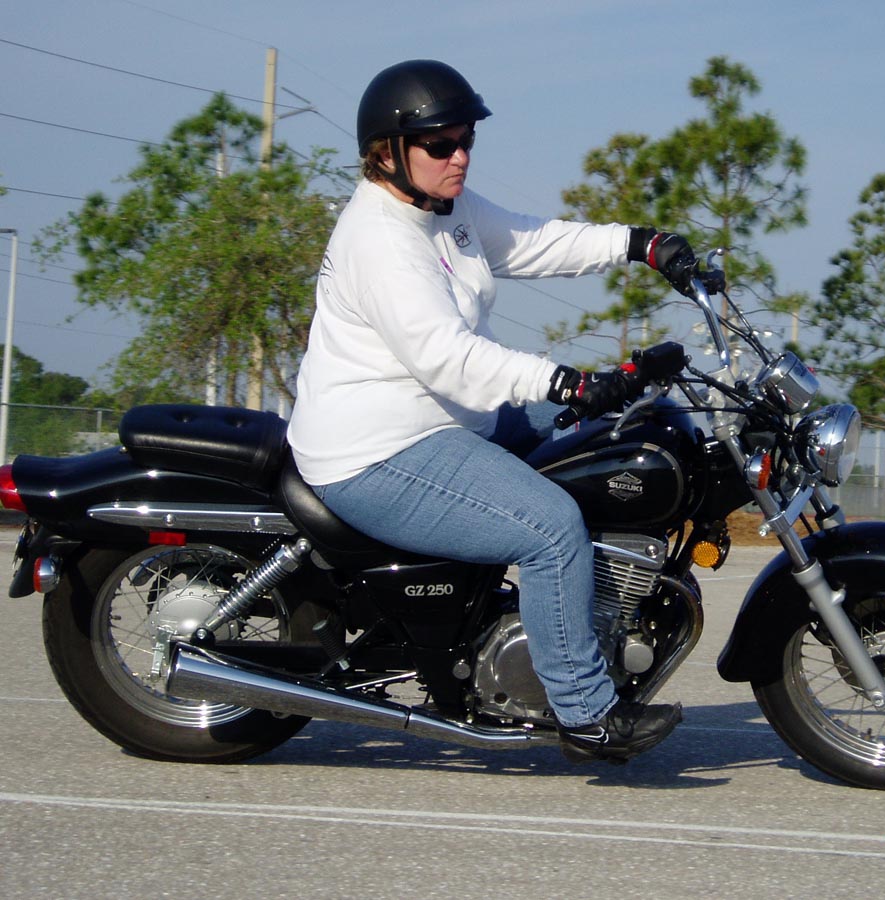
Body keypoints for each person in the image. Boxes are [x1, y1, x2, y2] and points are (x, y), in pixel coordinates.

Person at [287, 59, 698, 763]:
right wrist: (566, 382)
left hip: (445, 420)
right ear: (386, 153)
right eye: (440, 144)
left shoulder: (444, 211)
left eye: (466, 139)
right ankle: (585, 713)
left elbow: (533, 241)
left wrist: (640, 244)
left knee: (598, 433)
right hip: (379, 449)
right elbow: (448, 358)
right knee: (550, 528)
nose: (460, 156)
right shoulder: (379, 239)